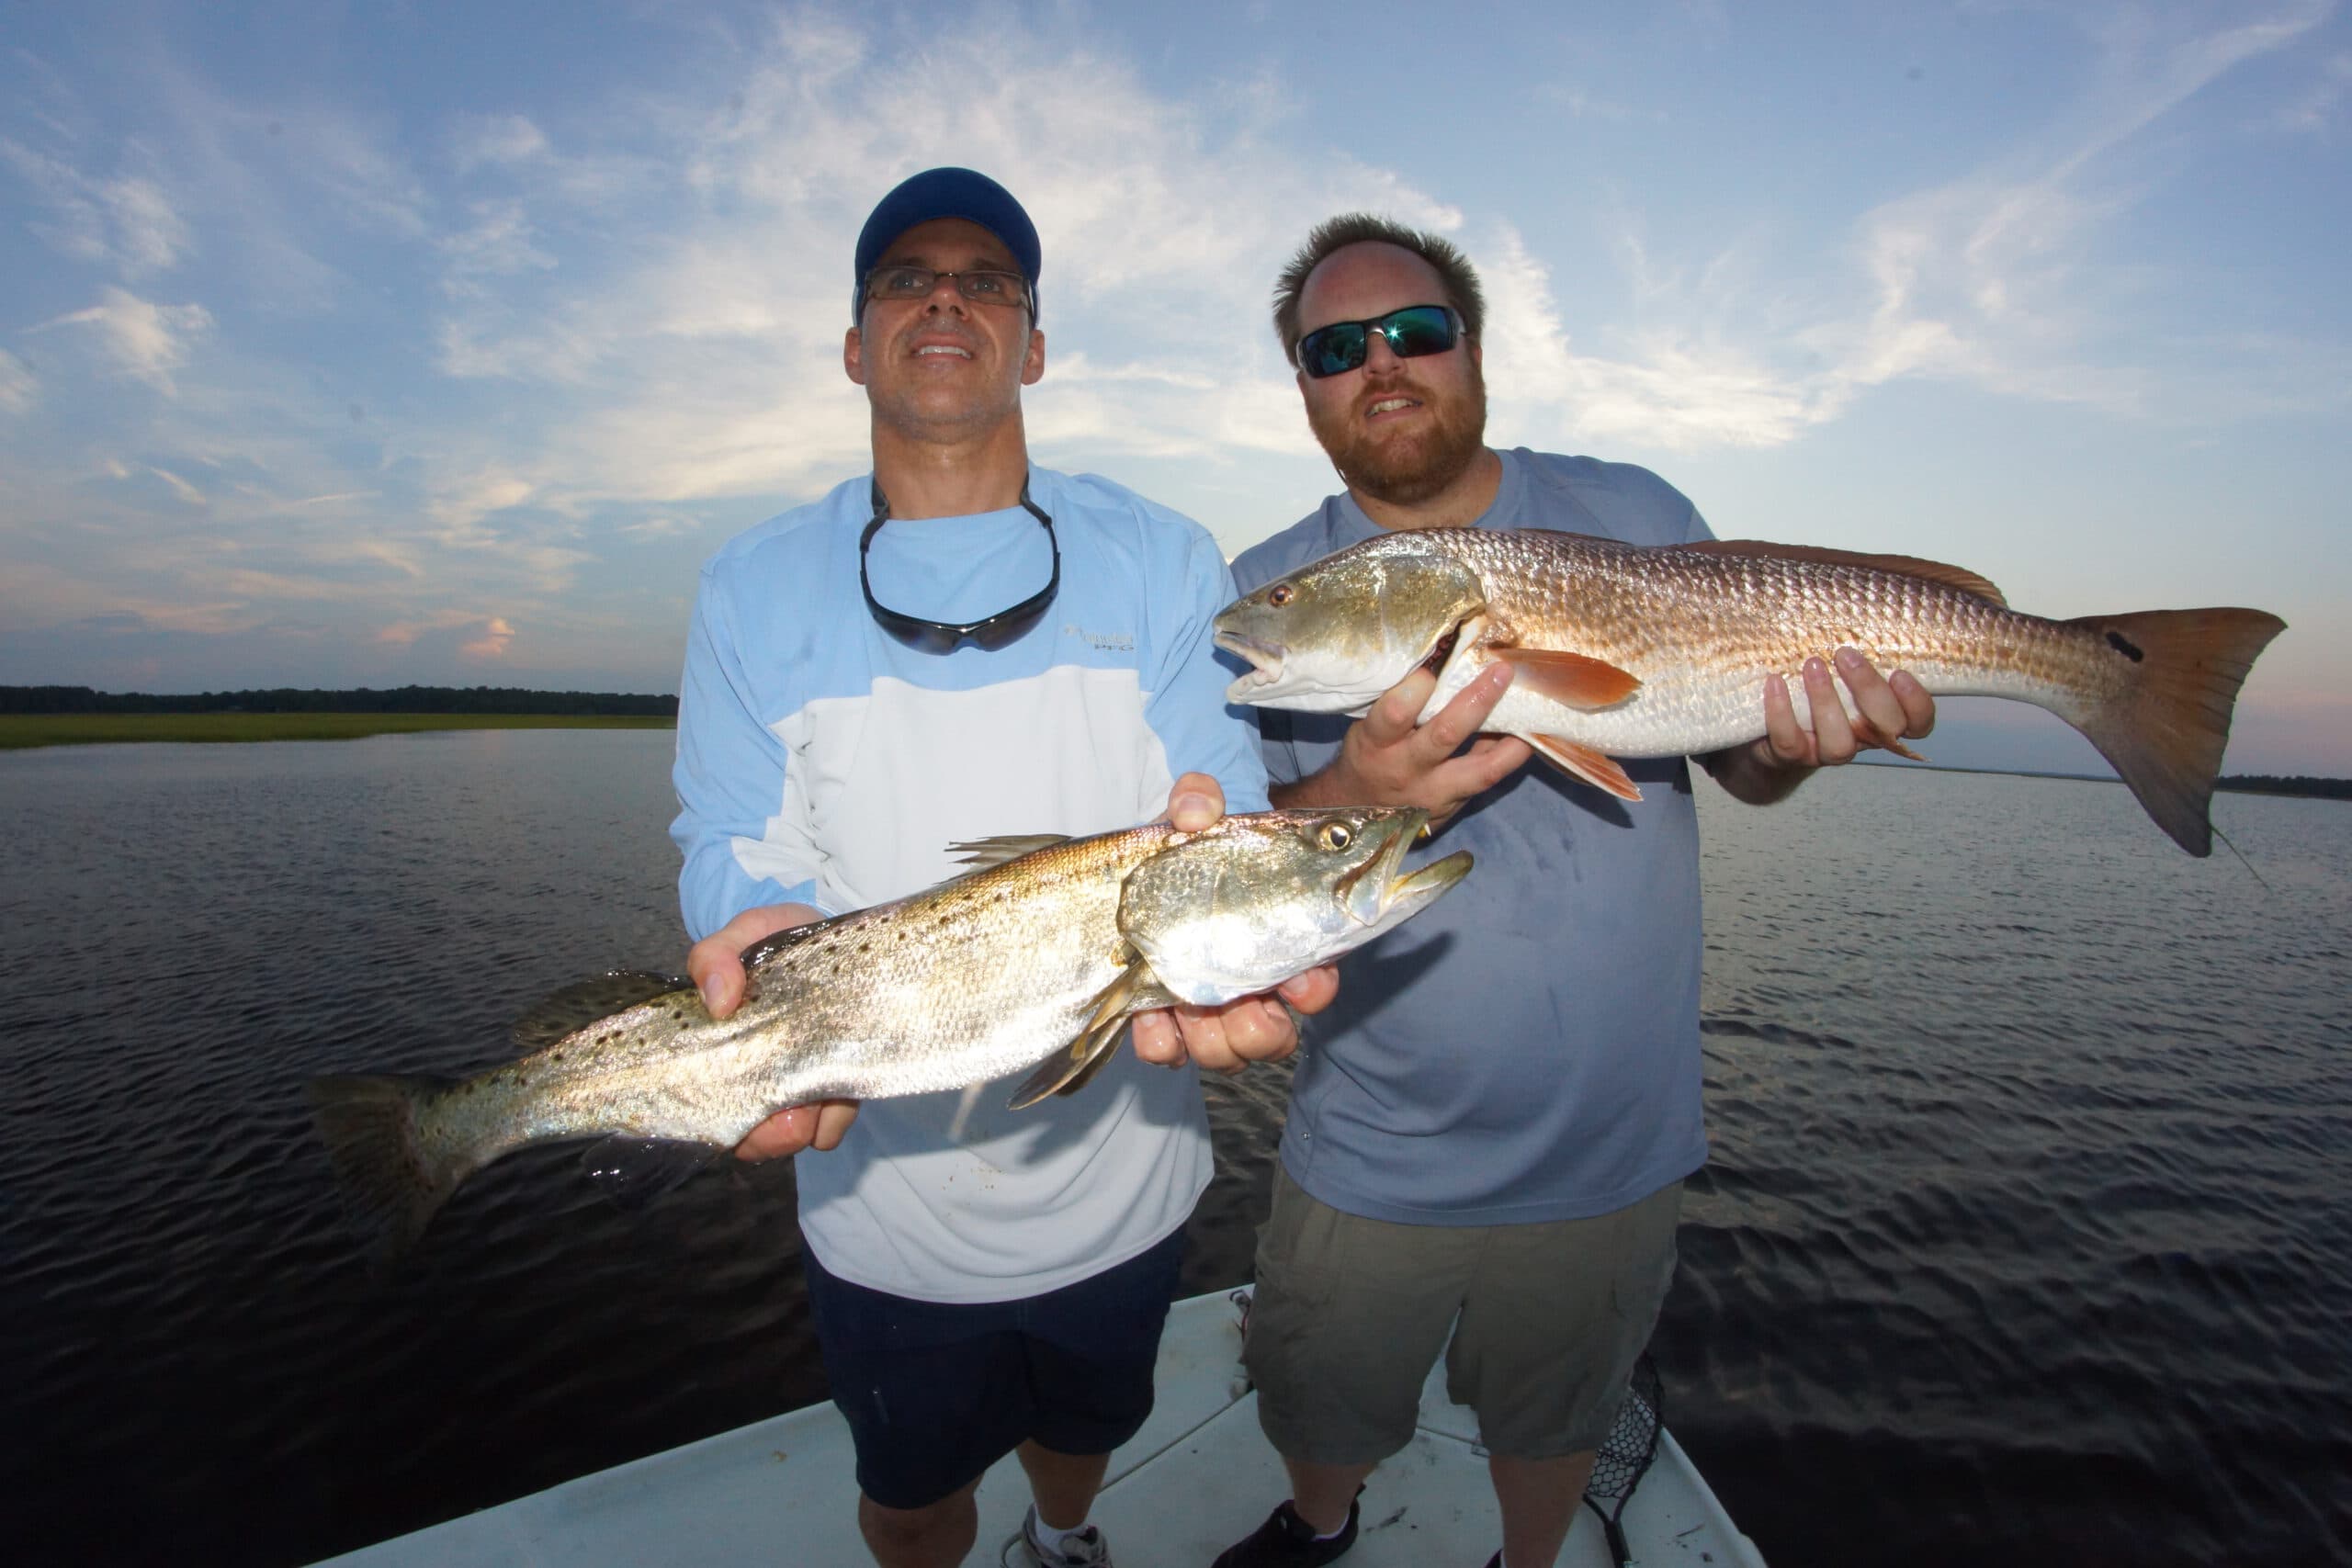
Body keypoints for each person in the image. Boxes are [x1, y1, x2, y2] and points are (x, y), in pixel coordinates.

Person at [1212, 215, 1937, 1568]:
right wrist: (1362, 793)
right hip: (1372, 1139)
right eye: (1334, 346)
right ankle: (1320, 1526)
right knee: (1318, 1390)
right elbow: (1229, 860)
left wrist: (1786, 746)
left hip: (1613, 1137)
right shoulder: (1266, 597)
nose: (1382, 362)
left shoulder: (1639, 513)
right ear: (1303, 385)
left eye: (1417, 331)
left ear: (1473, 350)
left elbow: (1738, 763)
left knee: (1552, 1417)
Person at [669, 167, 1335, 1568]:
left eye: (988, 279)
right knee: (909, 1495)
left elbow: (1216, 789)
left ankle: (1064, 1537)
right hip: (878, 1208)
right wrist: (748, 939)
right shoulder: (747, 586)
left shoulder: (1160, 559)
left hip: (1130, 1180)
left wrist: (1240, 868)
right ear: (857, 346)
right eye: (908, 279)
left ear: (1032, 347)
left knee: (1086, 1428)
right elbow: (732, 840)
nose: (947, 297)